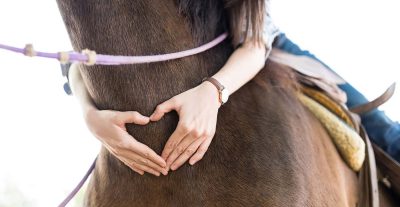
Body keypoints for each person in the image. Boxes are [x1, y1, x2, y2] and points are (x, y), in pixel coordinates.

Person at [66, 0, 399, 176]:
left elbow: (256, 42)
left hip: (257, 45)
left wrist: (213, 91)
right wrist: (89, 115)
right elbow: (82, 61)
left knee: (381, 129)